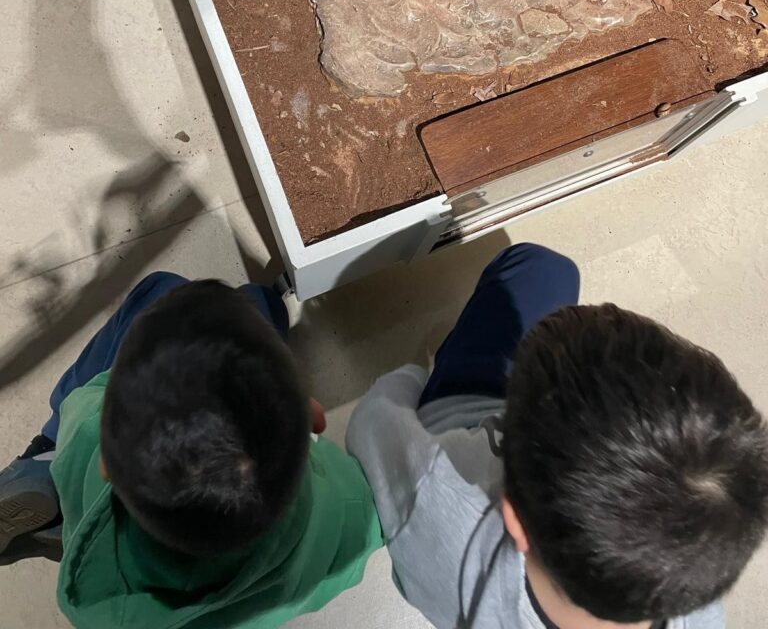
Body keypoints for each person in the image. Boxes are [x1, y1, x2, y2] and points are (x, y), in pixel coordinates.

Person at [347, 243, 768, 629]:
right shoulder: (695, 603)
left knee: (542, 267)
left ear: (513, 518)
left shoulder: (437, 490)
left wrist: (412, 376)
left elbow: (375, 419)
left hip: (457, 413)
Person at [0, 273, 382, 627]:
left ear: (106, 466)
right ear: (315, 417)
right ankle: (268, 301)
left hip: (95, 509)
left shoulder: (87, 434)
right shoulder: (348, 526)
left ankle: (43, 461)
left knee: (160, 288)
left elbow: (82, 403)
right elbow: (375, 520)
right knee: (262, 306)